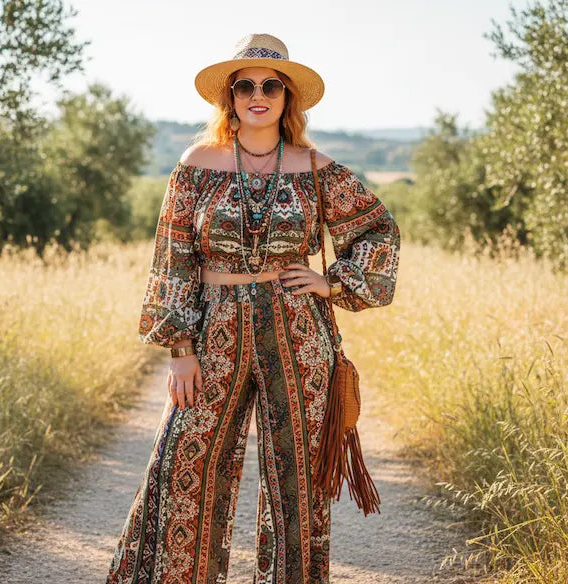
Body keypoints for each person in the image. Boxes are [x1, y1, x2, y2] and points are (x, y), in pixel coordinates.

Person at [105, 33, 400, 584]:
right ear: (230, 98)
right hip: (214, 329)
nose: (257, 94)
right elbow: (173, 258)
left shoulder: (316, 166)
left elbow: (378, 231)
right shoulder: (197, 163)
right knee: (182, 460)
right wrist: (180, 349)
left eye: (271, 85)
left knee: (299, 482)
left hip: (299, 331)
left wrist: (331, 283)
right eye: (246, 86)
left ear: (288, 97)